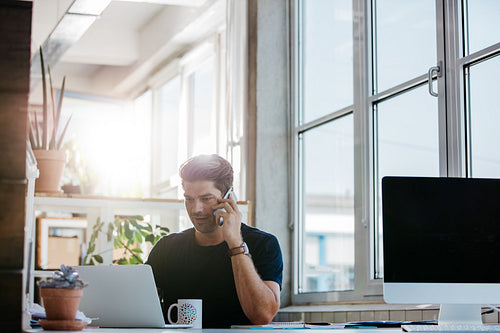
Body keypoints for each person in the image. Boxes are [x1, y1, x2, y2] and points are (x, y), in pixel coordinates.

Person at [146, 154, 283, 328]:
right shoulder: (167, 248)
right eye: (189, 199)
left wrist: (235, 244)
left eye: (206, 199)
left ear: (229, 196)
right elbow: (138, 308)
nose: (196, 209)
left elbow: (262, 315)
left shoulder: (264, 245)